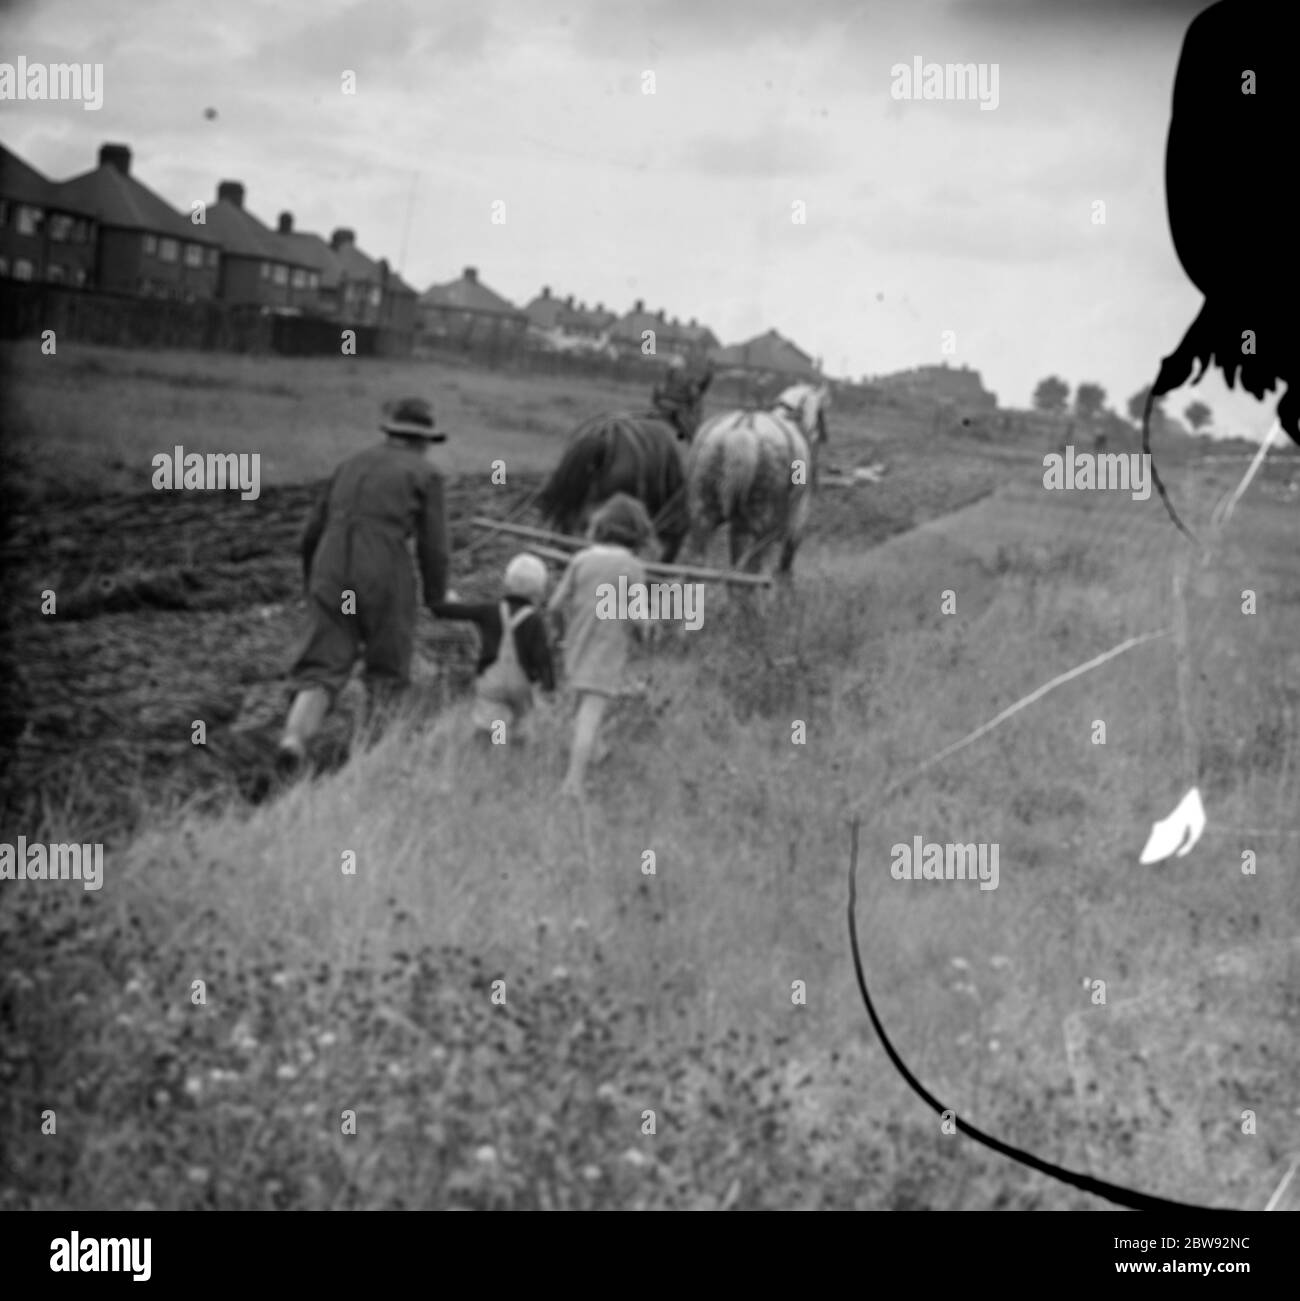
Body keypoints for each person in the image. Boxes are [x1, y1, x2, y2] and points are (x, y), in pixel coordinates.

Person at [276, 396, 450, 776]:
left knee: (324, 662)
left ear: (391, 434)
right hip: (381, 572)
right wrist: (437, 597)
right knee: (387, 668)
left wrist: (315, 583)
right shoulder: (425, 475)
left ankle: (293, 741)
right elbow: (434, 546)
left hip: (333, 570)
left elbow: (310, 534)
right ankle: (370, 765)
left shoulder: (350, 465)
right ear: (423, 440)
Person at [547, 493, 655, 799]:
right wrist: (645, 634)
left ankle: (597, 753)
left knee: (581, 705)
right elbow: (638, 616)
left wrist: (559, 632)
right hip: (606, 648)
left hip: (576, 642)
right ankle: (573, 782)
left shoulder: (581, 559)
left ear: (600, 525)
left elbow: (555, 604)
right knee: (591, 712)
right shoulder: (632, 567)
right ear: (638, 532)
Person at [434, 553, 556, 744]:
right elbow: (541, 654)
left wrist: (443, 602)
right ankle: (515, 744)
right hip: (521, 682)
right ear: (539, 589)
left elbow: (458, 611)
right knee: (521, 719)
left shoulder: (489, 610)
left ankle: (496, 744)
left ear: (507, 582)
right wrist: (549, 684)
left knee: (495, 718)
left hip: (492, 679)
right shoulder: (534, 619)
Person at [651, 355, 713, 441]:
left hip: (662, 410)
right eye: (679, 370)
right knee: (694, 435)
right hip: (678, 413)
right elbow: (696, 394)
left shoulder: (662, 382)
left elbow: (655, 399)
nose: (678, 373)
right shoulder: (686, 382)